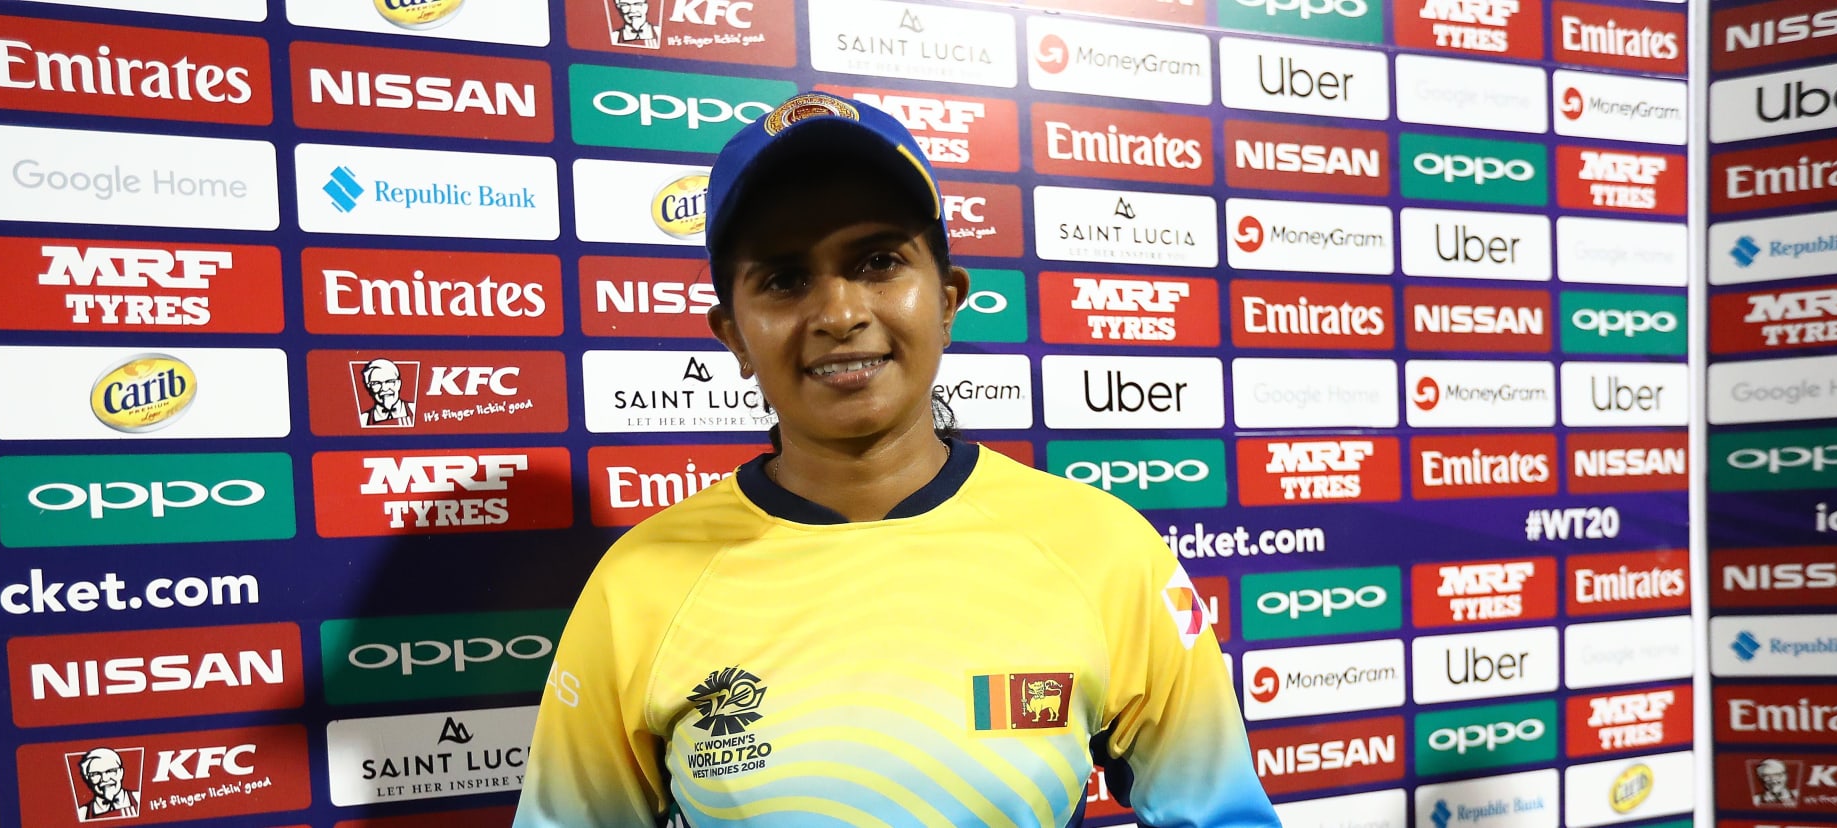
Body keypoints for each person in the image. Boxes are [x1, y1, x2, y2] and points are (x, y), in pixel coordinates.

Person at [514, 92, 1278, 828]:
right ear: (735, 335)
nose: (841, 313)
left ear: (947, 299)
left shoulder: (1101, 549)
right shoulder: (640, 584)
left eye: (878, 262)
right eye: (784, 279)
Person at [74, 747, 139, 821]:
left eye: (111, 771)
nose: (105, 779)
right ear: (87, 779)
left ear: (121, 773)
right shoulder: (82, 814)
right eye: (95, 774)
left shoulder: (139, 798)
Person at [358, 359, 415, 428]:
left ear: (398, 384)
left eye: (389, 381)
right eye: (376, 383)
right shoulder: (363, 420)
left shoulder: (414, 409)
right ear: (369, 387)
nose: (384, 388)